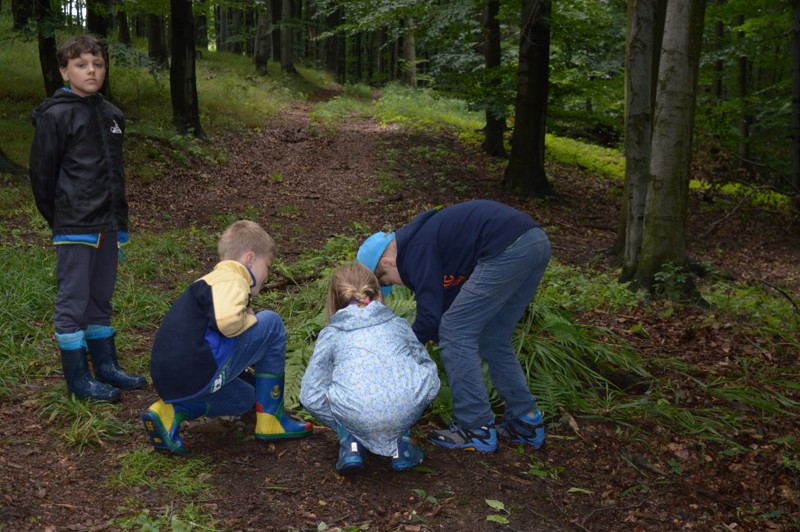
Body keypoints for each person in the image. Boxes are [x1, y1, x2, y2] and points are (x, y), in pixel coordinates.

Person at [357, 199, 550, 453]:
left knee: (456, 331)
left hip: (508, 246)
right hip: (534, 242)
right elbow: (444, 306)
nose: (400, 285)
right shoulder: (429, 243)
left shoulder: (415, 250)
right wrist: (428, 336)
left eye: (390, 282)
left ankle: (475, 427)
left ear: (387, 263)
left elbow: (434, 319)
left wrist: (404, 354)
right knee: (493, 338)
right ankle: (526, 420)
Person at [29, 35, 145, 403]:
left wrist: (119, 221)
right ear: (64, 71)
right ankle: (78, 380)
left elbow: (115, 173)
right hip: (75, 226)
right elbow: (42, 176)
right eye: (81, 65)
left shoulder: (113, 115)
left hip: (109, 225)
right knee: (73, 301)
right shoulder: (55, 115)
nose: (91, 71)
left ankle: (105, 367)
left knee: (100, 298)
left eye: (97, 64)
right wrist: (62, 217)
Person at [142, 220, 312, 455]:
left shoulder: (207, 282)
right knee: (271, 322)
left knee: (245, 397)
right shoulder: (233, 279)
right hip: (200, 369)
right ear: (250, 259)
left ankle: (171, 412)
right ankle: (272, 419)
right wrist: (250, 317)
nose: (267, 275)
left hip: (173, 380)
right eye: (268, 266)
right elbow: (228, 323)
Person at [299, 263, 440, 474]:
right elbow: (425, 366)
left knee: (337, 392)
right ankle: (400, 445)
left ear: (335, 302)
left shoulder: (332, 335)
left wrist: (343, 422)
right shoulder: (398, 324)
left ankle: (351, 442)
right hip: (406, 409)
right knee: (416, 379)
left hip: (354, 412)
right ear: (379, 295)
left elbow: (310, 395)